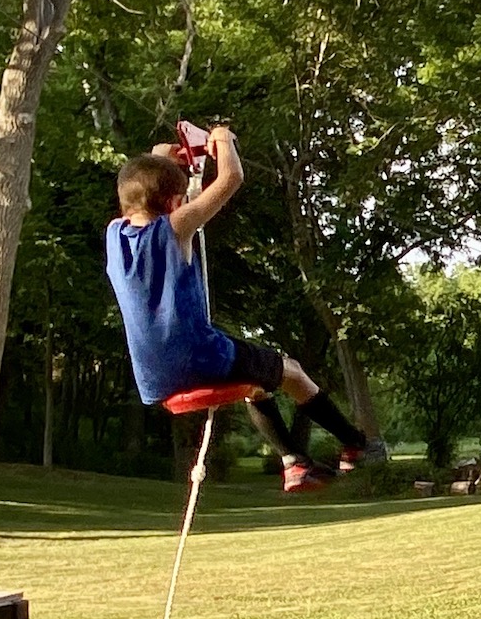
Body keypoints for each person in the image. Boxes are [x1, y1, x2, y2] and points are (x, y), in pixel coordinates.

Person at [106, 126, 381, 492]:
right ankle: (357, 445)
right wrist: (222, 138)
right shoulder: (175, 228)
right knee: (293, 372)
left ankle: (294, 463)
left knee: (256, 387)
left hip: (154, 375)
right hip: (200, 356)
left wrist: (160, 159)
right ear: (174, 203)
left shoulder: (114, 235)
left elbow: (142, 190)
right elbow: (231, 177)